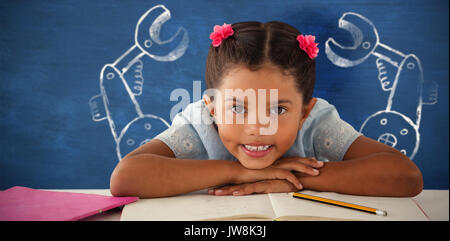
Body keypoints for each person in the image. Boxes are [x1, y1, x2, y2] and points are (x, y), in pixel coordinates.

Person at [110, 21, 423, 198]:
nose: (257, 127)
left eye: (277, 110)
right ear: (213, 108)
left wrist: (293, 178)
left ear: (304, 112)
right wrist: (239, 171)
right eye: (237, 108)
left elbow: (406, 176)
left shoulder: (316, 123)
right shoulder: (199, 125)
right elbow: (125, 178)